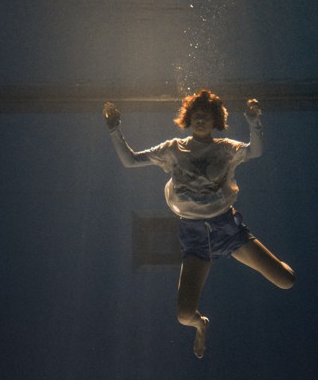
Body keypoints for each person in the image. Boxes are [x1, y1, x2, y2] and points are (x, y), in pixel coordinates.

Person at [103, 89, 295, 359]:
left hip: (228, 229)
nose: (200, 120)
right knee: (184, 315)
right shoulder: (173, 149)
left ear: (216, 120)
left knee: (286, 281)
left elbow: (256, 151)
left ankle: (277, 264)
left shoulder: (226, 148)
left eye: (206, 116)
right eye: (196, 115)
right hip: (194, 238)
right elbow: (130, 160)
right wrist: (114, 129)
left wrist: (254, 121)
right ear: (188, 119)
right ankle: (200, 325)